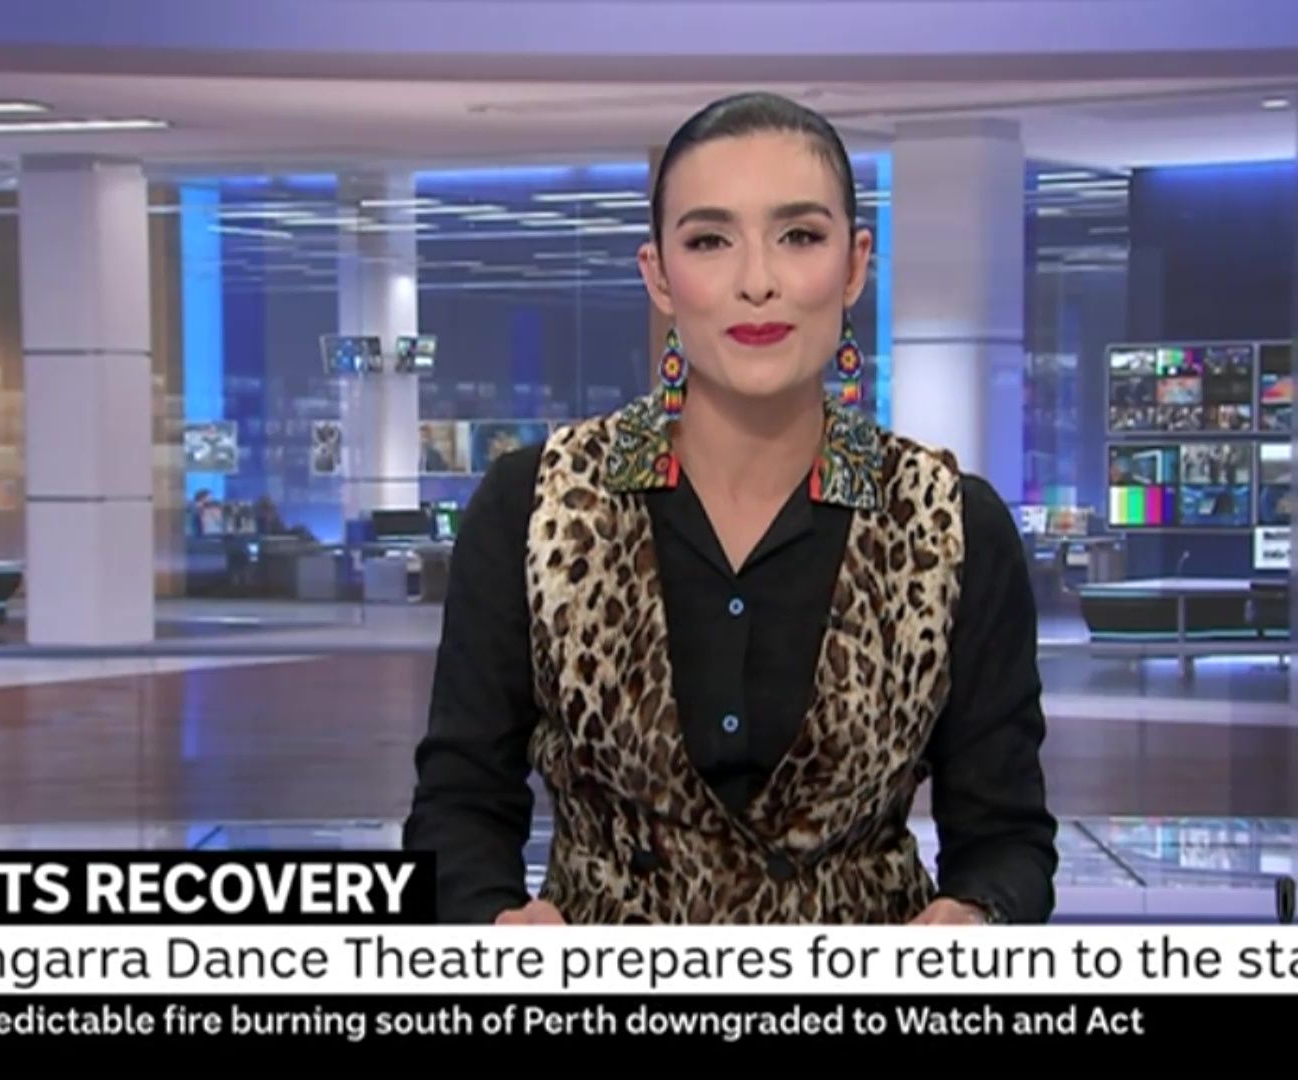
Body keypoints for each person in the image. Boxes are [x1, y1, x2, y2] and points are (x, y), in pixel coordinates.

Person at [403, 91, 1057, 926]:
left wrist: (976, 913)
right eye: (710, 240)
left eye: (799, 236)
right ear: (658, 275)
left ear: (855, 265)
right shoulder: (534, 506)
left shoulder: (949, 524)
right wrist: (497, 921)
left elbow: (1008, 839)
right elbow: (457, 806)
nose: (757, 282)